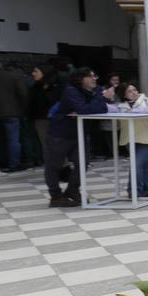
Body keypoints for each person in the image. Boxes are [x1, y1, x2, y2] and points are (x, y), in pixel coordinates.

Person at [43, 70, 113, 205]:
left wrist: (96, 102)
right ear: (81, 78)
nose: (94, 79)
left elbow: (102, 109)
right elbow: (85, 109)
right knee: (54, 165)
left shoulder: (96, 89)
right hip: (61, 133)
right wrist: (100, 99)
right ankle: (56, 196)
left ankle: (72, 190)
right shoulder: (71, 91)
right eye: (91, 76)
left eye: (95, 75)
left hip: (80, 133)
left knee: (83, 163)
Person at [115, 82, 148, 197]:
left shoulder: (147, 101)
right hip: (130, 140)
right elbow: (106, 108)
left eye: (135, 89)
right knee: (141, 165)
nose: (134, 92)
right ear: (124, 95)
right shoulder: (120, 106)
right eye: (129, 91)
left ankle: (134, 191)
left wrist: (134, 111)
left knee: (135, 164)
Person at [0, 59, 28, 172]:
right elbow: (23, 94)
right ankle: (14, 164)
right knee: (13, 140)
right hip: (11, 112)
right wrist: (22, 109)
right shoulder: (13, 76)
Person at [27, 64, 60, 167]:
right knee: (46, 146)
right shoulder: (36, 86)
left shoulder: (56, 86)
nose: (33, 74)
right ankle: (52, 169)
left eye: (36, 71)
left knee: (58, 145)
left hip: (56, 120)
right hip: (41, 120)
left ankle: (63, 168)